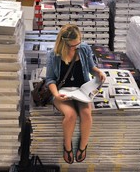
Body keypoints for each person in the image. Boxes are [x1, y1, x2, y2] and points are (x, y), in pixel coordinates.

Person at [45, 24, 106, 164]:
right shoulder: (53, 55)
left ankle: (83, 146)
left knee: (86, 114)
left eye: (79, 43)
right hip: (62, 91)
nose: (77, 47)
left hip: (81, 90)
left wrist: (98, 72)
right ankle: (67, 146)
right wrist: (56, 94)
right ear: (64, 44)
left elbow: (91, 67)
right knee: (70, 115)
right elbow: (50, 79)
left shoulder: (84, 49)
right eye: (73, 45)